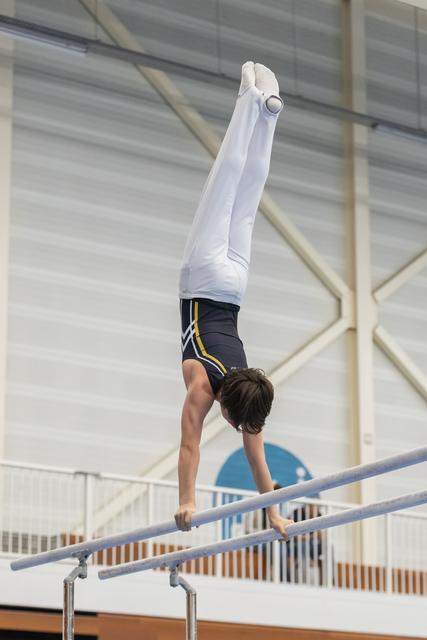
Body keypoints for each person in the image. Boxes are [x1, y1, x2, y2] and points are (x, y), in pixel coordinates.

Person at [174, 62, 293, 541]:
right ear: (231, 411)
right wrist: (186, 500)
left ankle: (269, 114)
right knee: (225, 183)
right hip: (201, 278)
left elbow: (256, 456)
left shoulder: (249, 389)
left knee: (246, 197)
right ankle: (249, 100)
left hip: (236, 283)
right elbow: (189, 447)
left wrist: (273, 513)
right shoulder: (205, 386)